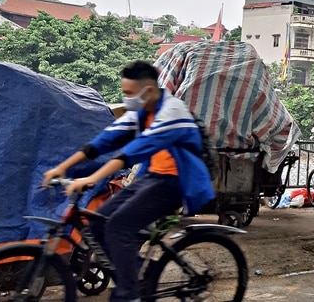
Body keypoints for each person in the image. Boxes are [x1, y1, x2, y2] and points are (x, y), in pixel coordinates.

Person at [42, 61, 215, 302]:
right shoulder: (142, 112)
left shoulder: (172, 112)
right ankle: (140, 272)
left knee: (119, 227)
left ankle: (129, 293)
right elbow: (104, 141)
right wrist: (60, 169)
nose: (127, 98)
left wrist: (91, 178)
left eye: (130, 93)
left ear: (150, 91)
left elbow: (130, 153)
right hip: (153, 177)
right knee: (97, 223)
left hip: (177, 183)